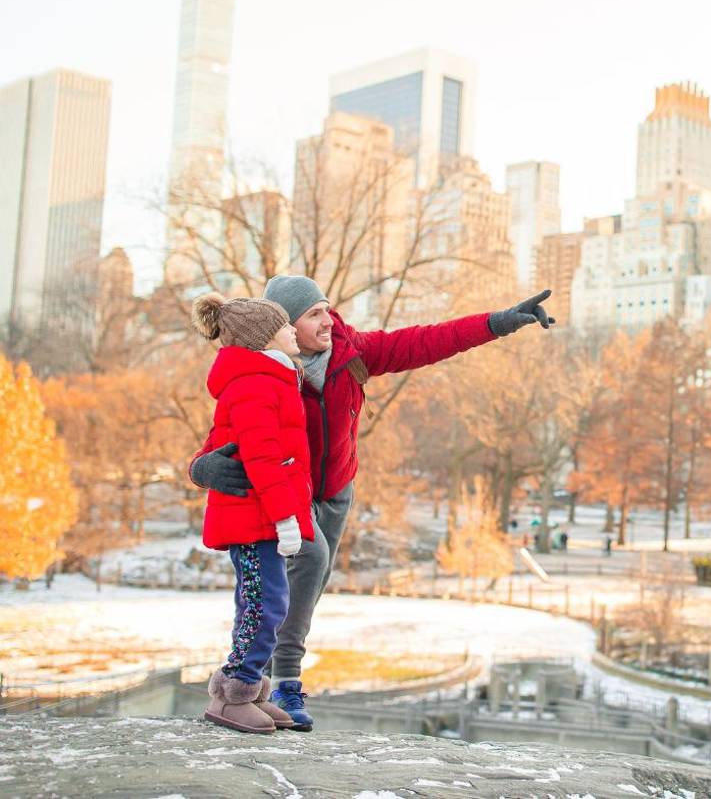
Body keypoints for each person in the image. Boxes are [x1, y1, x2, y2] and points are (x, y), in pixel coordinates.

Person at [189, 276, 554, 730]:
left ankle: (271, 684)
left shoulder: (350, 352)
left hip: (335, 491)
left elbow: (424, 342)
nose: (328, 321)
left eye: (327, 308)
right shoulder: (264, 368)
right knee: (284, 577)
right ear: (284, 325)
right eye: (314, 315)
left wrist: (497, 323)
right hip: (285, 494)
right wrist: (201, 467)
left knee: (307, 585)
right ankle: (268, 681)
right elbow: (227, 427)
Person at [191, 293, 314, 734]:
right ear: (263, 339)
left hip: (259, 515)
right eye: (284, 327)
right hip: (252, 516)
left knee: (262, 603)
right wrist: (285, 519)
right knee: (266, 604)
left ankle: (250, 691)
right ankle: (235, 693)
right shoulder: (256, 383)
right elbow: (263, 458)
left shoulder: (274, 378)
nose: (293, 332)